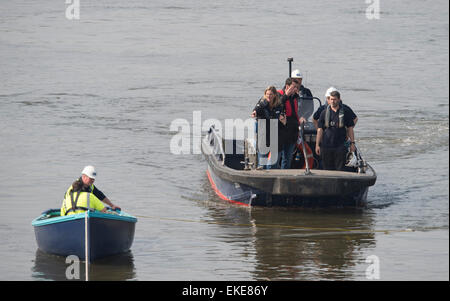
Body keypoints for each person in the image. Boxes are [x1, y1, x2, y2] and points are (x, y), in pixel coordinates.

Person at [315, 91, 356, 171]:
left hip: (340, 146)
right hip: (326, 146)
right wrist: (317, 145)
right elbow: (320, 129)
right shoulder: (324, 113)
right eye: (331, 99)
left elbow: (350, 128)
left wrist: (352, 143)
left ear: (339, 99)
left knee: (339, 169)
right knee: (327, 169)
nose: (332, 101)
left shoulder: (345, 112)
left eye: (334, 99)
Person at [251, 86, 286, 169]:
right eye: (267, 94)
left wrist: (283, 119)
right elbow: (256, 109)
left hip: (275, 136)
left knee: (273, 164)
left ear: (274, 95)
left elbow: (283, 119)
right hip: (264, 137)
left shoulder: (279, 105)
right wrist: (254, 113)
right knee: (262, 163)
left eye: (270, 94)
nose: (268, 96)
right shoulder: (262, 103)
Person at [277, 78, 301, 169]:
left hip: (292, 132)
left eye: (297, 87)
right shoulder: (279, 95)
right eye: (294, 87)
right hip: (281, 132)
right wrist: (286, 96)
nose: (296, 89)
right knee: (277, 157)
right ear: (287, 86)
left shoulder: (294, 97)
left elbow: (295, 114)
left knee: (288, 158)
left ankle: (285, 174)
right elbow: (277, 106)